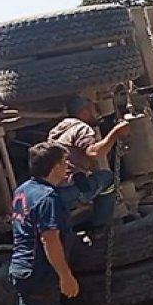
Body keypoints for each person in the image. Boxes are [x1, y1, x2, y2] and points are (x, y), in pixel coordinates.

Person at [8, 141, 80, 305]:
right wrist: (66, 276)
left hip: (24, 267)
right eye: (64, 162)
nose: (68, 167)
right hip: (38, 271)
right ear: (54, 166)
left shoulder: (24, 190)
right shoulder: (48, 198)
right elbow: (50, 240)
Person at [48, 96, 131, 225]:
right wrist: (115, 133)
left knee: (93, 178)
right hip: (71, 188)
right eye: (94, 110)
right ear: (84, 112)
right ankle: (100, 226)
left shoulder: (59, 129)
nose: (97, 114)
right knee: (108, 178)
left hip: (55, 189)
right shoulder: (81, 128)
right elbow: (93, 152)